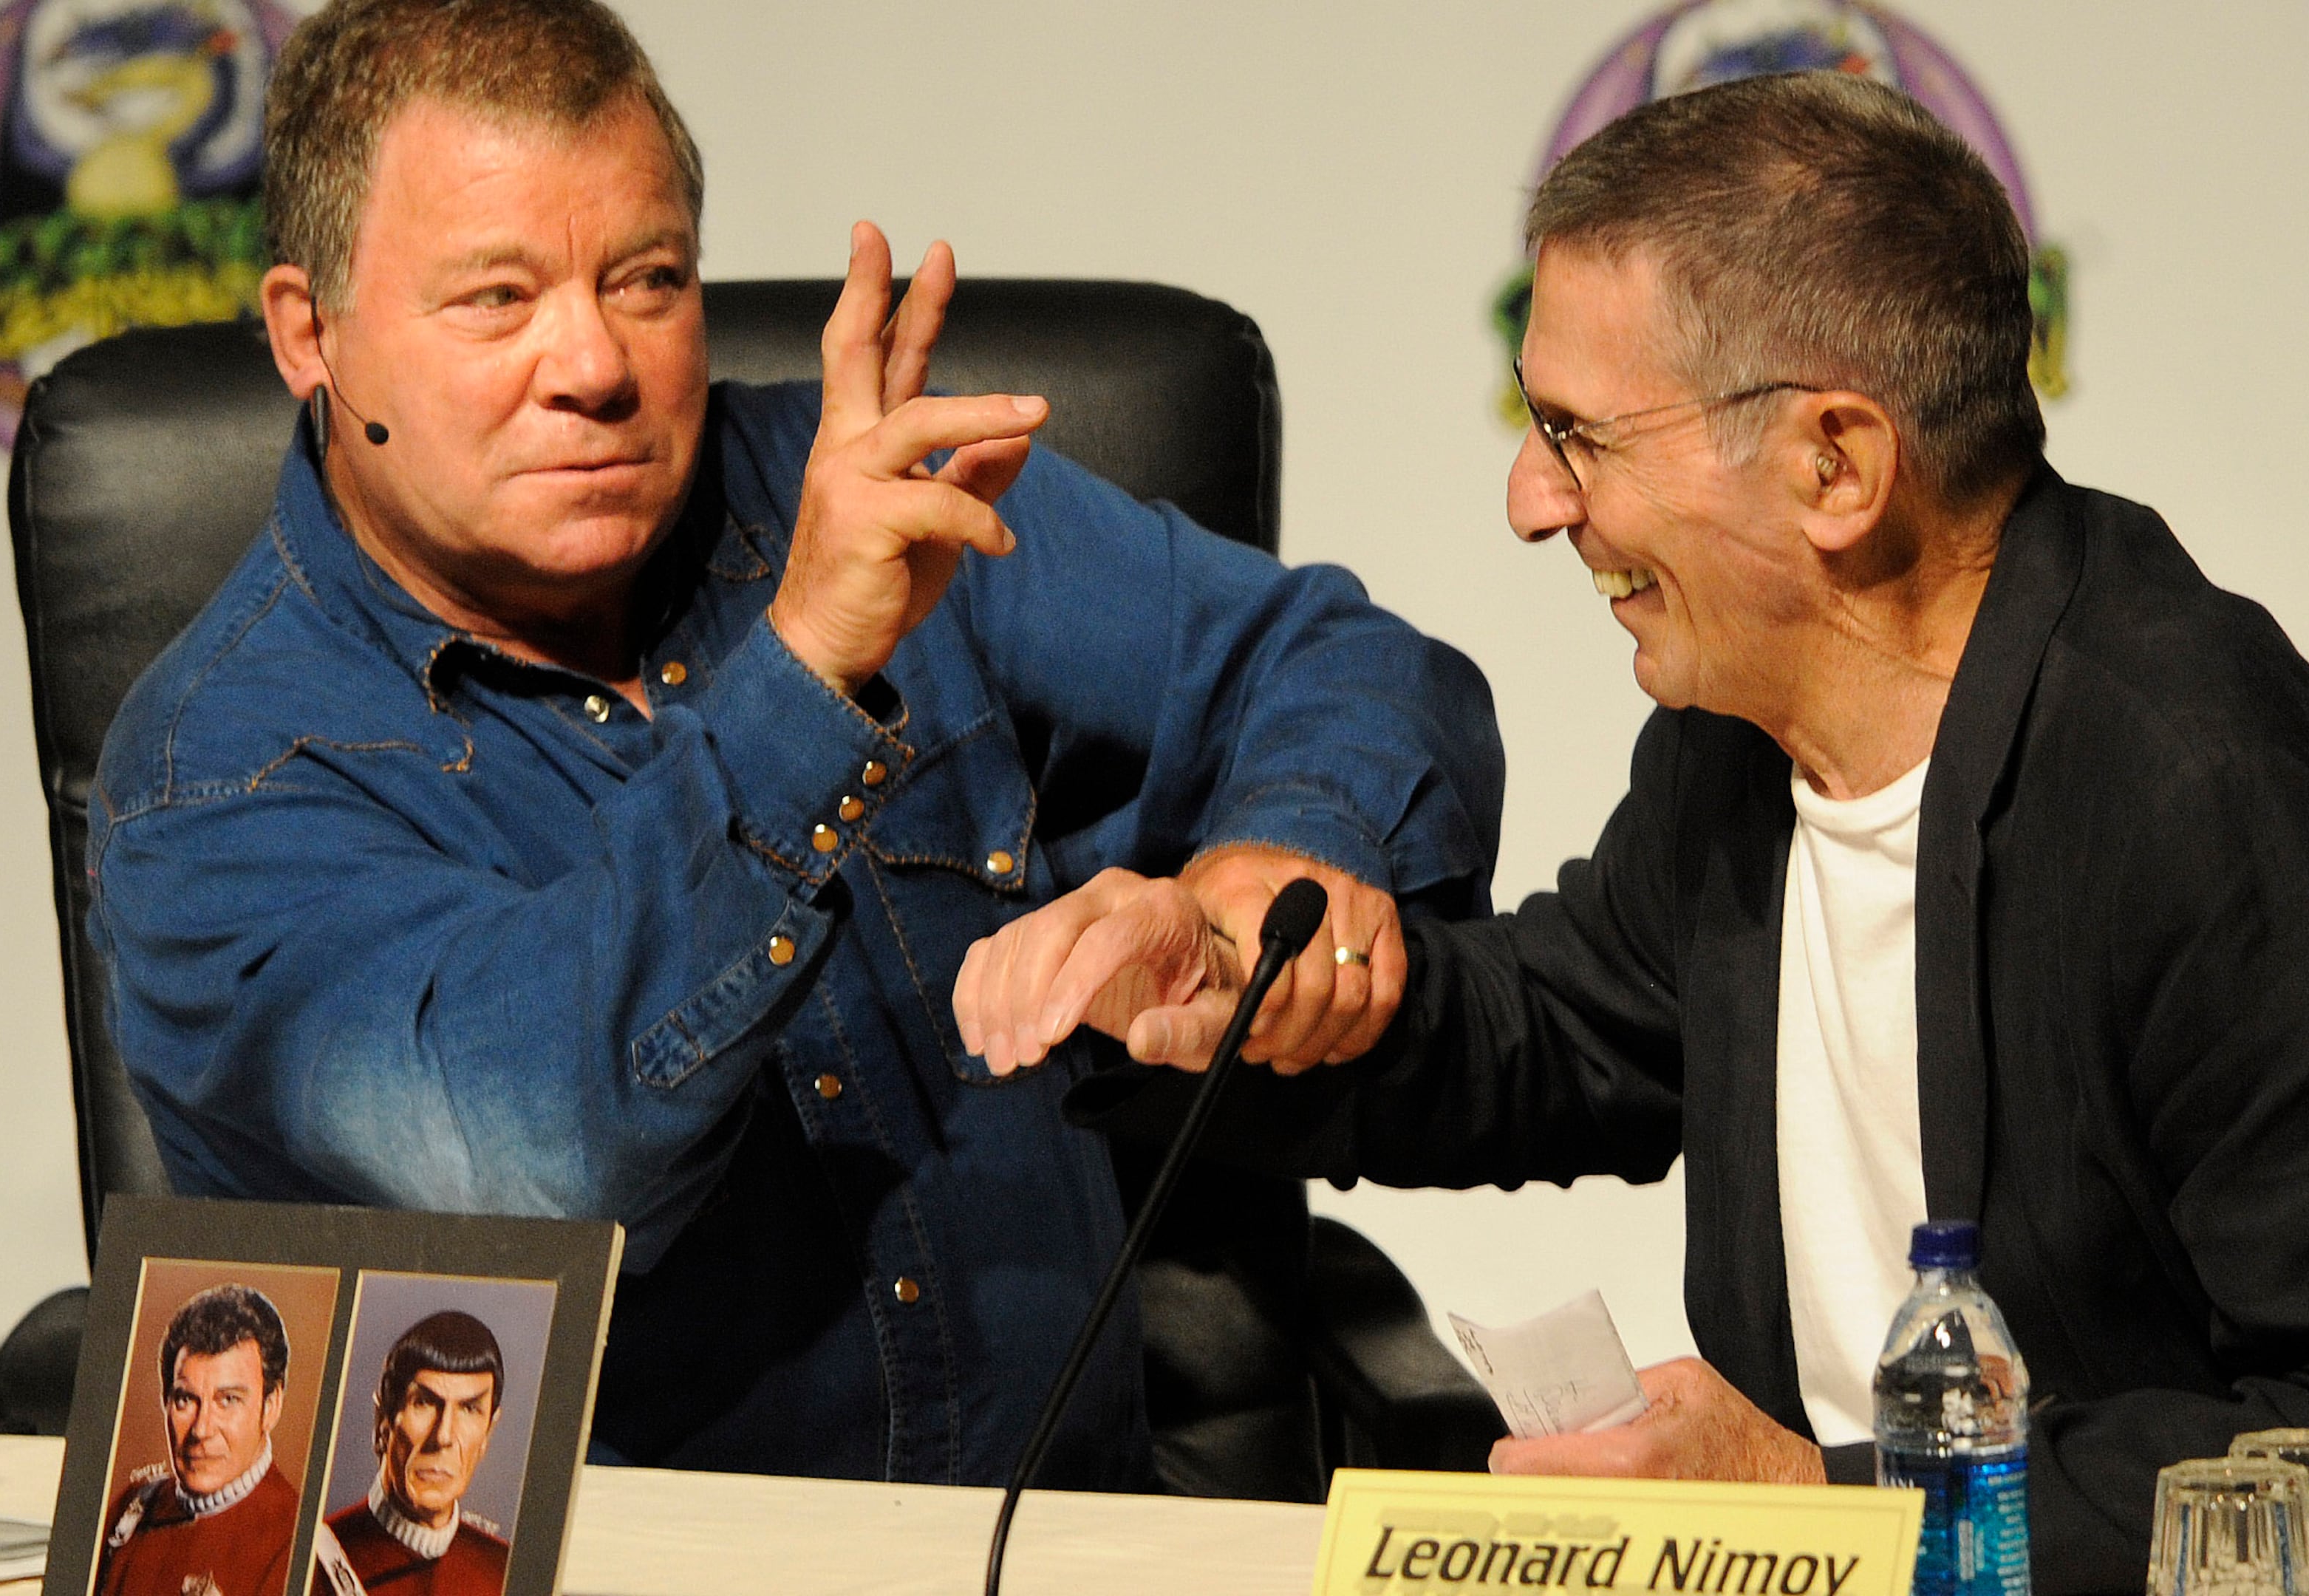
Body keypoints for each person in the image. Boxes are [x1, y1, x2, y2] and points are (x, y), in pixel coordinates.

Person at [955, 70, 2309, 1586]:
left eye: (1580, 434)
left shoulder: (2200, 793)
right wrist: (1221, 1001)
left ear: (1836, 464)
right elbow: (1557, 1031)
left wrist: (1834, 1512)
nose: (1529, 499)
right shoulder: (1738, 750)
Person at [87, 0, 1501, 1490]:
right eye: (496, 299)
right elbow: (535, 1171)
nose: (595, 366)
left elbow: (1343, 664)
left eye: (645, 280)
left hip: (1061, 1542)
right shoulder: (219, 777)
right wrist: (809, 665)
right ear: (311, 334)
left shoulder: (847, 490)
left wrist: (1287, 849)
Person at [97, 1285, 301, 1596]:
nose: (201, 1430)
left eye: (228, 1400)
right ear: (165, 1401)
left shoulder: (297, 1543)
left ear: (271, 1407)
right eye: (185, 1400)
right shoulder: (129, 1513)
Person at [313, 1313, 511, 1596]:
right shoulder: (313, 1561)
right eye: (424, 1403)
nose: (443, 1437)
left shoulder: (504, 1569)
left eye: (469, 1409)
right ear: (383, 1419)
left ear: (488, 1433)